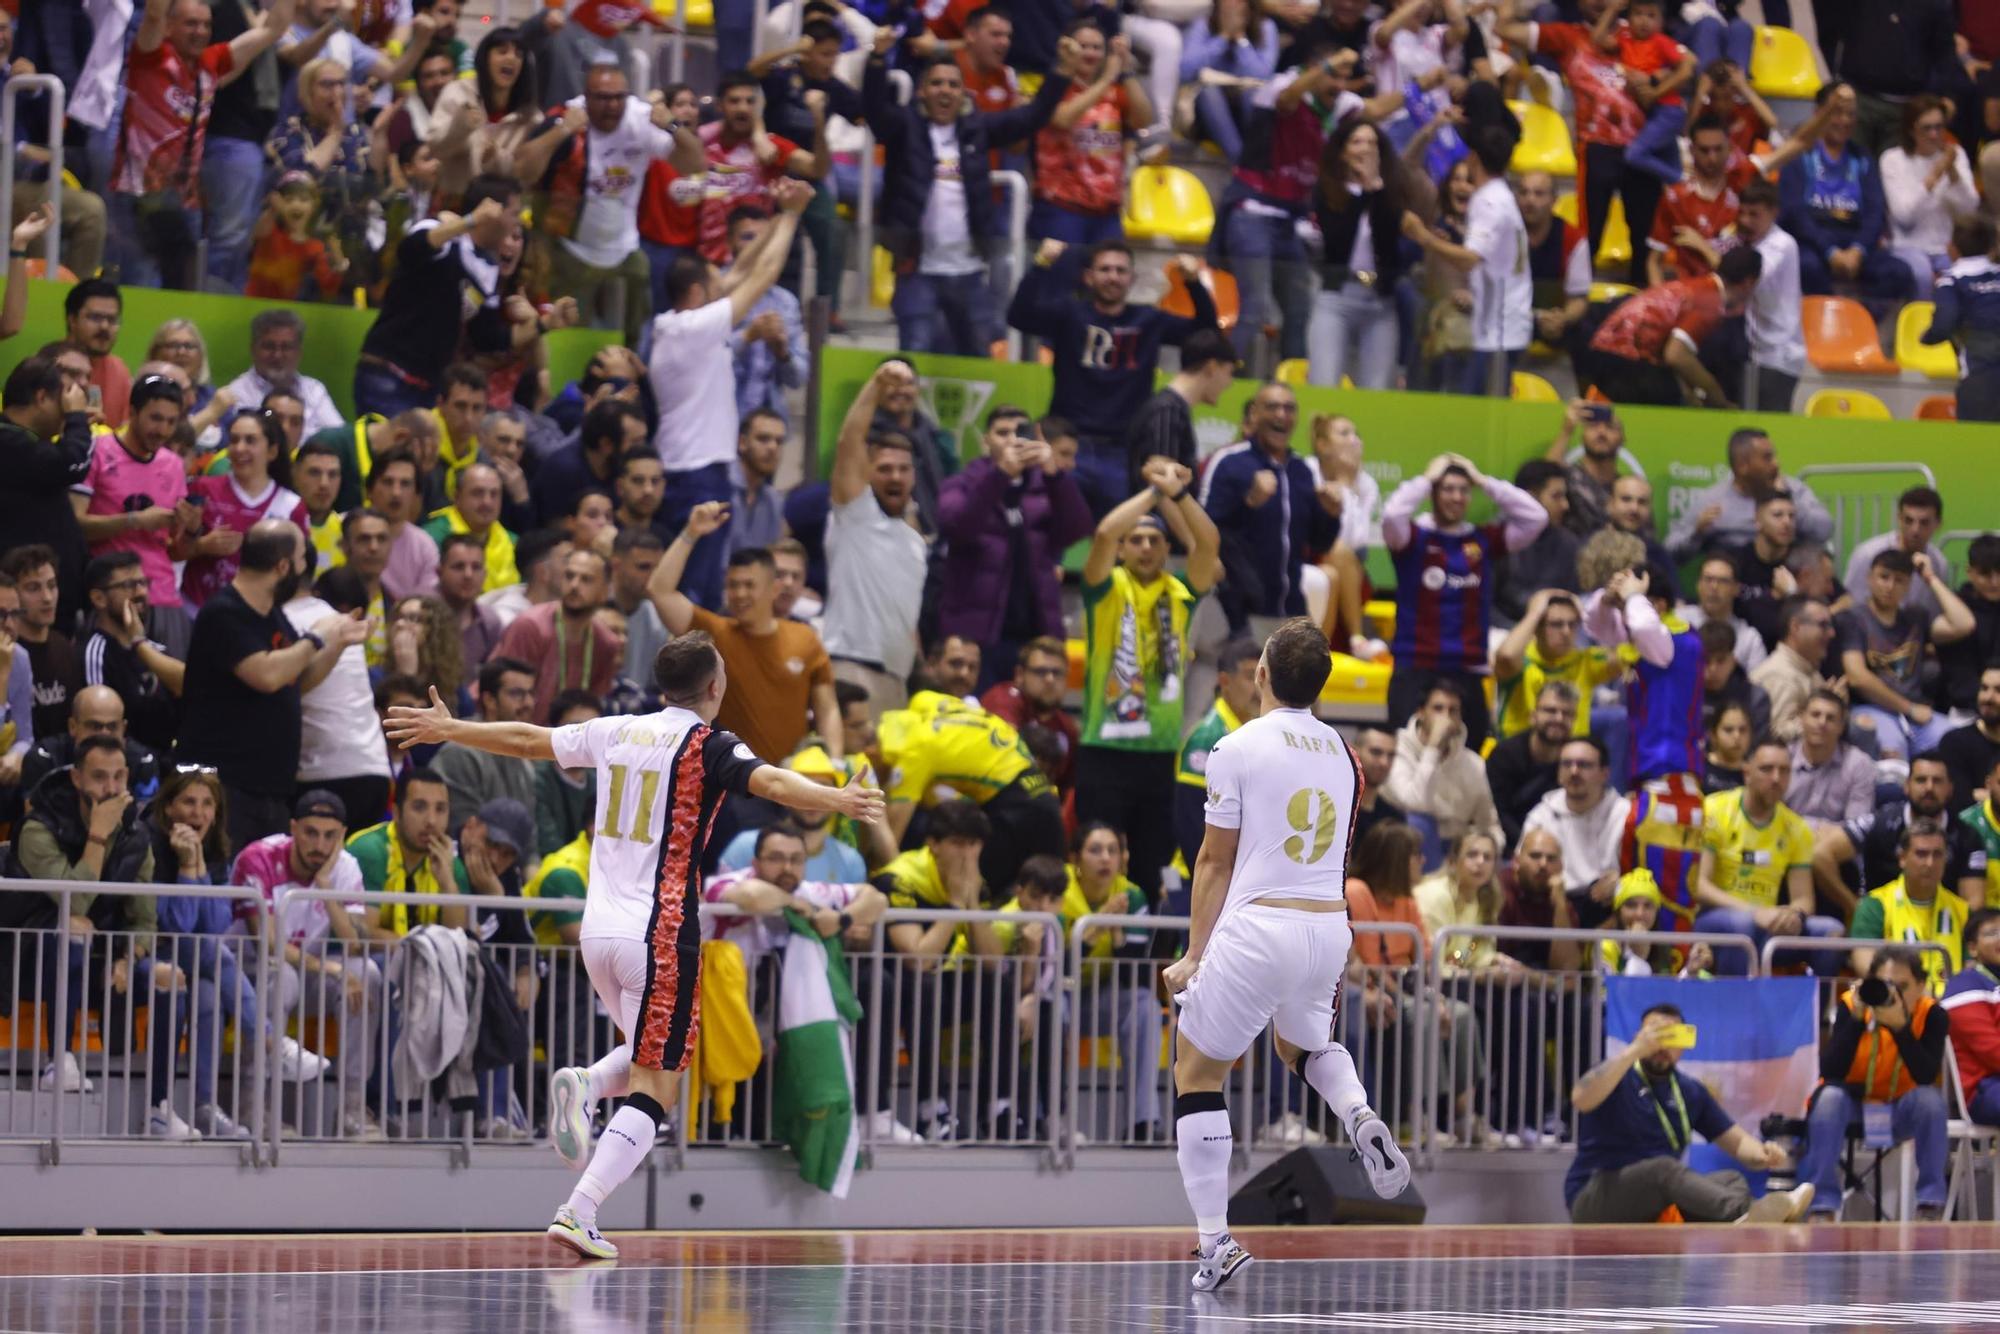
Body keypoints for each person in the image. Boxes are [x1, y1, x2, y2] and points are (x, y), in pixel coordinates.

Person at [384, 629, 886, 1259]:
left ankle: (588, 1087)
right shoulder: (708, 744)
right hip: (660, 932)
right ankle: (580, 1207)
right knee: (659, 1086)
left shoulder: (615, 728)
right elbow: (776, 786)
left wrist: (450, 728)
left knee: (656, 1056)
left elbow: (528, 740)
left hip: (597, 932)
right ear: (715, 686)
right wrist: (836, 797)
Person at [1161, 619, 1408, 1292]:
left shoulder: (1232, 745)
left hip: (1259, 926)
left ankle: (1214, 1242)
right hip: (1327, 927)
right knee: (1300, 1048)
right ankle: (1357, 1113)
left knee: (1197, 1072)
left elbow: (1213, 861)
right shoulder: (1347, 756)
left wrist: (1193, 954)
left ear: (1261, 673)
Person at [647, 179, 812, 614]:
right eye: (714, 281)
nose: (725, 280)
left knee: (690, 587)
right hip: (698, 476)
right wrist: (794, 216)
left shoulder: (675, 327)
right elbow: (762, 277)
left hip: (690, 469)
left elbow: (742, 270)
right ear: (698, 294)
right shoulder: (693, 329)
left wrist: (776, 215)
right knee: (693, 593)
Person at [864, 40, 1074, 356]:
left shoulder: (977, 129)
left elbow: (1030, 118)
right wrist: (877, 60)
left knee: (978, 358)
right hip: (916, 269)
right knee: (914, 355)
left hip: (970, 271)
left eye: (952, 84)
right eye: (936, 83)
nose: (944, 91)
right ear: (921, 91)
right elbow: (875, 110)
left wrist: (1060, 73)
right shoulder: (903, 128)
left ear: (963, 93)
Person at [1077, 457, 1222, 910]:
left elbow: (1208, 542)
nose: (1143, 547)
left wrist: (1178, 495)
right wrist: (1155, 491)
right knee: (1099, 863)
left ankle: (1147, 968)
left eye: (1154, 540)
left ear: (1165, 549)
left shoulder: (1180, 592)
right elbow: (1103, 533)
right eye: (1135, 540)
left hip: (1159, 755)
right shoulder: (1105, 587)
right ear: (1123, 550)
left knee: (1150, 867)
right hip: (1104, 750)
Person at [177, 520, 367, 851]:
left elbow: (296, 681)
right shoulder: (224, 613)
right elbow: (266, 675)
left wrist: (337, 644)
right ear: (282, 566)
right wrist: (316, 637)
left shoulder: (273, 617)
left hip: (271, 792)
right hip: (224, 790)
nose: (304, 570)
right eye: (300, 562)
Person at [1006, 238, 1215, 514]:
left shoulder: (1149, 320)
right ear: (1088, 277)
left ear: (1132, 278)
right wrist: (1041, 265)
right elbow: (1019, 316)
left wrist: (1193, 283)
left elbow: (1206, 333)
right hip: (1068, 446)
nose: (1113, 277)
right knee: (1046, 531)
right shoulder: (1070, 314)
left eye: (1120, 270)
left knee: (1118, 539)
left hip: (1122, 451)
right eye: (1104, 270)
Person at [1566, 1002, 1812, 1223]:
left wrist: (1763, 1154)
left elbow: (1737, 1143)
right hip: (1595, 1194)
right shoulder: (1618, 1076)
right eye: (1655, 1033)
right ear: (1639, 1037)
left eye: (1672, 1035)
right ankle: (1745, 1213)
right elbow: (1581, 1098)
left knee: (1731, 1179)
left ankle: (1744, 1220)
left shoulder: (1689, 1091)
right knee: (1664, 1170)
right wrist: (1633, 1051)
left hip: (1655, 1197)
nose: (1663, 1043)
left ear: (1683, 1044)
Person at [110, 0, 297, 291]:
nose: (200, 32)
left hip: (185, 199)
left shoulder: (212, 63)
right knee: (141, 281)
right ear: (169, 27)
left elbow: (273, 29)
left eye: (206, 25)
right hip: (137, 193)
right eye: (190, 24)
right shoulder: (150, 56)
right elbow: (155, 11)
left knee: (184, 289)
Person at [520, 59, 703, 349]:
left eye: (619, 97)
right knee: (566, 342)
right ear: (586, 97)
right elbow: (523, 170)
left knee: (629, 344)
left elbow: (695, 163)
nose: (612, 106)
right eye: (602, 98)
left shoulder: (641, 118)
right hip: (570, 251)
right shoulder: (567, 115)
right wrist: (562, 131)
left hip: (625, 251)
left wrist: (671, 124)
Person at [648, 505, 840, 766]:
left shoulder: (805, 638)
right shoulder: (716, 634)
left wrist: (835, 762)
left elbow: (826, 708)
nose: (739, 594)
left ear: (773, 589)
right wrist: (691, 533)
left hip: (793, 781)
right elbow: (660, 591)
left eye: (749, 585)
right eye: (733, 585)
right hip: (736, 783)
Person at [1381, 452, 1548, 748]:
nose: (1456, 497)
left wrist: (1483, 480)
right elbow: (1392, 514)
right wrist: (1426, 478)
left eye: (1463, 490)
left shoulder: (1482, 541)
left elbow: (1536, 517)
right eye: (1447, 489)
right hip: (1415, 665)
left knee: (1468, 758)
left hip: (1468, 669)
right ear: (1433, 493)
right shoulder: (1410, 538)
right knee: (1406, 755)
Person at [1798, 946, 1950, 1221]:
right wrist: (1856, 1020)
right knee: (1829, 1097)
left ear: (1921, 985)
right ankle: (1822, 1205)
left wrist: (1900, 1028)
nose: (1894, 993)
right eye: (1886, 984)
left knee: (1931, 1101)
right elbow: (1831, 1071)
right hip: (1852, 1108)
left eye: (1903, 986)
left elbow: (1925, 1074)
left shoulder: (1933, 1014)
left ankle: (1930, 1204)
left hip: (1901, 1110)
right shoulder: (1851, 1004)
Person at [872, 687, 1066, 899]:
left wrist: (877, 879)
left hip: (1014, 810)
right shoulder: (923, 700)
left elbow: (890, 845)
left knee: (981, 892)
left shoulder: (913, 755)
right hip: (1041, 790)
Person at [355, 175, 522, 419]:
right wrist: (471, 220)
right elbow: (411, 249)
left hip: (428, 387)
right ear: (493, 212)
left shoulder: (489, 268)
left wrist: (543, 325)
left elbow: (487, 338)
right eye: (514, 214)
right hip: (388, 373)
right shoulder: (440, 231)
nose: (517, 224)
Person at [822, 362, 931, 717]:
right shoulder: (855, 515)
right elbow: (849, 441)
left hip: (897, 681)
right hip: (851, 670)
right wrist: (877, 384)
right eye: (884, 469)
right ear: (867, 474)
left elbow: (905, 619)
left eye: (903, 469)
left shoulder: (915, 543)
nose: (895, 476)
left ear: (914, 476)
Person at [1199, 380, 1343, 637]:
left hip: (1289, 614)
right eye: (1273, 407)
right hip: (1237, 613)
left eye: (1289, 409)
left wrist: (1331, 515)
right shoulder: (1230, 462)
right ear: (1254, 414)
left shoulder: (1302, 471)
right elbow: (1203, 531)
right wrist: (1249, 503)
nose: (1281, 415)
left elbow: (1319, 544)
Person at [1401, 126, 1534, 396]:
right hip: (1502, 322)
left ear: (1473, 157)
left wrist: (1423, 237)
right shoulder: (1502, 196)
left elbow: (1470, 259)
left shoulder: (1488, 202)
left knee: (1480, 411)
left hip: (1498, 328)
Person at [1695, 738, 1845, 973]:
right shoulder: (1714, 810)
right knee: (1743, 925)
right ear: (1747, 773)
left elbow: (1804, 899)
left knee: (1829, 931)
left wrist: (1794, 915)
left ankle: (1817, 1010)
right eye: (1766, 769)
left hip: (1768, 923)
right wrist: (1754, 912)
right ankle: (1738, 1006)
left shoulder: (1796, 828)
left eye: (1784, 771)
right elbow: (1700, 886)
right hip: (1716, 919)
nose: (1776, 778)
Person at [72, 374, 197, 654]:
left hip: (163, 599)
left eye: (171, 422)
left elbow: (176, 551)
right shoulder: (97, 451)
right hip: (110, 600)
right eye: (155, 418)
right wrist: (134, 521)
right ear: (133, 411)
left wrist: (191, 530)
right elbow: (75, 525)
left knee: (171, 691)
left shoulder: (174, 465)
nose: (162, 430)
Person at [1778, 82, 1917, 303]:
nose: (1844, 121)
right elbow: (1795, 213)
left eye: (1851, 114)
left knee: (1898, 272)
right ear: (1818, 114)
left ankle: (1862, 328)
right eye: (1837, 113)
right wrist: (1830, 251)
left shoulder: (1863, 158)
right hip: (1812, 241)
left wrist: (1858, 250)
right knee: (1806, 266)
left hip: (1854, 241)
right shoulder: (1799, 155)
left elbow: (1875, 211)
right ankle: (1823, 329)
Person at [1582, 246, 1761, 407]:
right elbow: (1676, 355)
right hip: (1623, 359)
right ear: (1749, 283)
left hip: (1604, 352)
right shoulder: (1711, 300)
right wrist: (1718, 398)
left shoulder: (1696, 285)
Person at [1839, 552, 1974, 766]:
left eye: (1899, 580)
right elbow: (1857, 677)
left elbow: (1964, 623)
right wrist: (1908, 708)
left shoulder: (1915, 617)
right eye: (1884, 577)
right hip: (1871, 709)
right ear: (1869, 578)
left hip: (1916, 715)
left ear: (1909, 585)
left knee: (1957, 741)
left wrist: (1930, 578)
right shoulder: (1853, 618)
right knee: (1892, 750)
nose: (1890, 586)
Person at [0, 357, 95, 623]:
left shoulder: (23, 443)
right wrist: (77, 419)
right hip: (24, 606)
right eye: (61, 404)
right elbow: (74, 464)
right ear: (41, 397)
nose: (64, 414)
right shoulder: (8, 442)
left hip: (45, 600)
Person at [1665, 427, 1833, 563]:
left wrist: (1789, 501)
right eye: (1767, 458)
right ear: (1742, 466)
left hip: (1788, 580)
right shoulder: (1713, 502)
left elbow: (1824, 530)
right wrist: (1697, 533)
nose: (1776, 464)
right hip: (1737, 589)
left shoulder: (1793, 490)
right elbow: (1670, 552)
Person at [493, 548, 622, 724]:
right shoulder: (530, 626)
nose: (575, 585)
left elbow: (595, 706)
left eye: (586, 579)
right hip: (514, 734)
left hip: (568, 742)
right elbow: (501, 696)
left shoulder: (607, 643)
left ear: (605, 591)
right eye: (569, 576)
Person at [1384, 680, 1503, 868]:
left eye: (1453, 710)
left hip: (1458, 848)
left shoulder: (1473, 763)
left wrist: (1490, 850)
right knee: (1420, 823)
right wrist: (1433, 748)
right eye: (1438, 709)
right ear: (1421, 713)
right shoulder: (1396, 749)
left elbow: (1488, 823)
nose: (1445, 718)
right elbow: (1416, 803)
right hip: (1408, 846)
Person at [1174, 638, 1261, 888]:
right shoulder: (1207, 738)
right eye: (1248, 677)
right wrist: (1212, 882)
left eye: (1261, 678)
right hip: (1201, 881)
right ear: (1224, 681)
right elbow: (1189, 819)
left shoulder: (1256, 732)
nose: (1257, 688)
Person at [1848, 821, 1973, 992]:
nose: (1930, 863)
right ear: (1902, 858)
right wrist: (1915, 995)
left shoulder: (1962, 910)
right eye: (1921, 854)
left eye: (1937, 854)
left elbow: (1972, 968)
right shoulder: (1875, 905)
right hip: (1898, 1004)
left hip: (1953, 1005)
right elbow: (1864, 963)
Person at [79, 552, 184, 756]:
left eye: (143, 582)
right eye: (129, 585)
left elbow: (188, 689)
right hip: (127, 767)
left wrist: (139, 644)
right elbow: (101, 728)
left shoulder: (155, 650)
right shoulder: (96, 653)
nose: (141, 592)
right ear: (99, 598)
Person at [1920, 215, 2000, 423]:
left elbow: (1943, 325)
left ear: (1952, 248)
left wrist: (1925, 338)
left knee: (1978, 449)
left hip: (1982, 377)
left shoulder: (1951, 280)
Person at [218, 310, 343, 441]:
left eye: (286, 347)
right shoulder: (236, 394)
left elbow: (339, 437)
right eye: (269, 346)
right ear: (253, 349)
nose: (277, 355)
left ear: (299, 352)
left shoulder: (314, 390)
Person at [2, 546, 83, 744]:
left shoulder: (65, 647)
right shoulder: (9, 651)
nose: (47, 598)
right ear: (13, 593)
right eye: (33, 588)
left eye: (52, 585)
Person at [981, 637, 1080, 795]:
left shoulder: (1067, 728)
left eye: (1057, 673)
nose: (1050, 679)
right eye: (1041, 672)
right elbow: (1006, 757)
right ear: (1020, 674)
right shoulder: (1003, 700)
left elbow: (1068, 789)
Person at [1486, 682, 1578, 853]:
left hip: (1562, 849)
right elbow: (1497, 813)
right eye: (1550, 711)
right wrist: (1530, 846)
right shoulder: (1505, 754)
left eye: (1567, 714)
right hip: (1509, 847)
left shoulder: (1577, 760)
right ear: (1533, 715)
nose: (1559, 719)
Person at [1843, 487, 1950, 620]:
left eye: (1924, 523)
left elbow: (1934, 617)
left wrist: (1931, 578)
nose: (1915, 530)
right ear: (1899, 518)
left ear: (1938, 524)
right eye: (1909, 521)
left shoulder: (1938, 564)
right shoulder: (1867, 554)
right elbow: (1851, 605)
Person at [1750, 596, 1837, 743]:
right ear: (1795, 627)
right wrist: (1822, 711)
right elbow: (1776, 735)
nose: (1831, 633)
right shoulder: (1780, 674)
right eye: (1823, 625)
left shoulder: (1806, 667)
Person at [1942, 909, 2000, 1127]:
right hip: (1985, 1088)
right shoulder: (1965, 984)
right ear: (1972, 948)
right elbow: (1990, 1049)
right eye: (1992, 932)